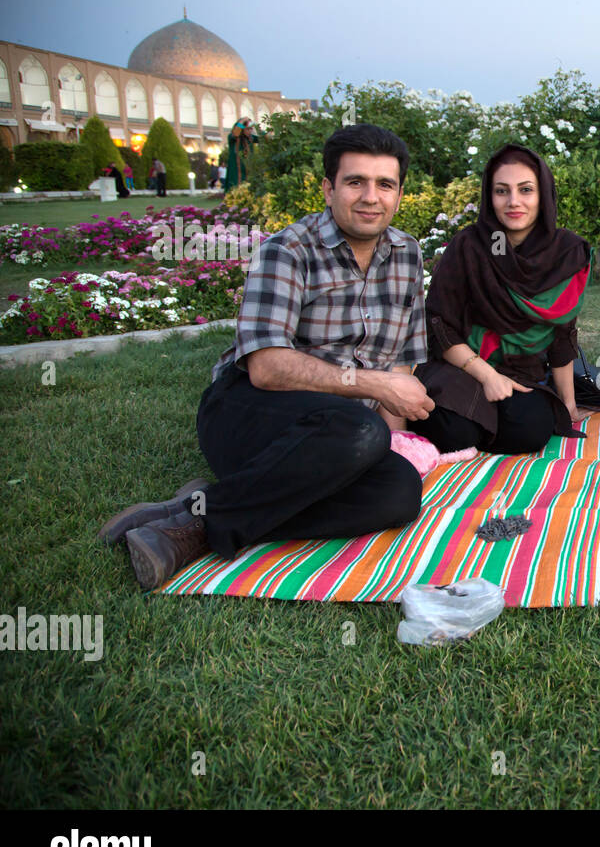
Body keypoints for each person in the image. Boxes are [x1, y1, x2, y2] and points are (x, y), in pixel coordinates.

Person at [99, 124, 434, 590]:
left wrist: (386, 440)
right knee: (358, 427)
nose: (370, 197)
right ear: (328, 188)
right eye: (355, 182)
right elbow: (268, 368)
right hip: (249, 413)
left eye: (385, 184)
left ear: (399, 193)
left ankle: (202, 506)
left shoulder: (407, 253)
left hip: (338, 437)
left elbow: (402, 358)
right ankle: (191, 530)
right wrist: (373, 388)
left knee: (398, 493)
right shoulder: (287, 250)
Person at [410, 144, 590, 455]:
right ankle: (475, 422)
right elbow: (440, 324)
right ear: (489, 197)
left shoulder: (566, 252)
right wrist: (487, 375)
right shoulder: (469, 246)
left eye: (526, 190)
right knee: (453, 430)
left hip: (522, 370)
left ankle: (485, 421)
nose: (514, 202)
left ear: (543, 194)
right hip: (463, 364)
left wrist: (569, 405)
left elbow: (562, 333)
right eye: (502, 191)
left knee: (530, 431)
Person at [224, 118, 258, 190]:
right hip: (236, 170)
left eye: (250, 129)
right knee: (235, 189)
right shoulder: (233, 138)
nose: (249, 131)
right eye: (247, 129)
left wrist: (257, 127)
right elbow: (236, 133)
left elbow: (265, 138)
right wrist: (242, 121)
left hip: (248, 170)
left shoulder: (251, 138)